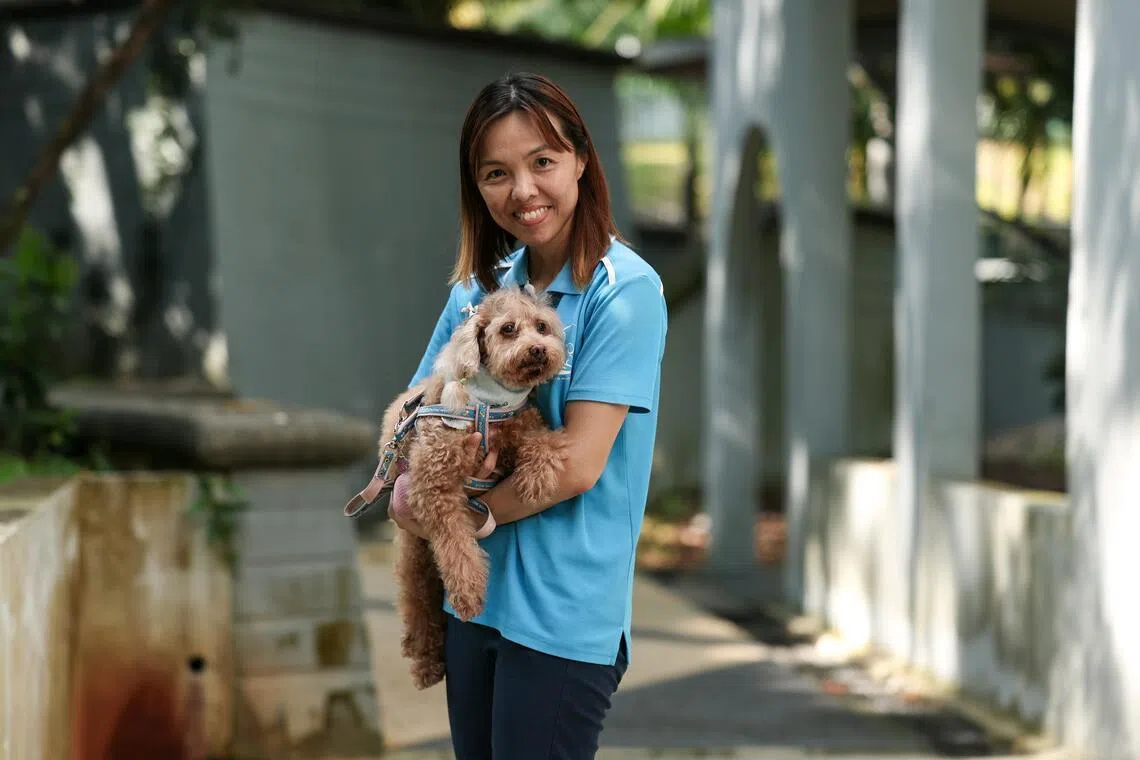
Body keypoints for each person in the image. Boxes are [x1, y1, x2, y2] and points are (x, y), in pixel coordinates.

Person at [387, 71, 668, 760]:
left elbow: (577, 466)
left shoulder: (624, 290)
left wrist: (466, 518)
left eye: (542, 161)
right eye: (496, 173)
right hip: (472, 603)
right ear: (476, 187)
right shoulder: (479, 291)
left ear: (581, 159)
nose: (523, 190)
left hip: (561, 613)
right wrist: (409, 486)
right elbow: (418, 409)